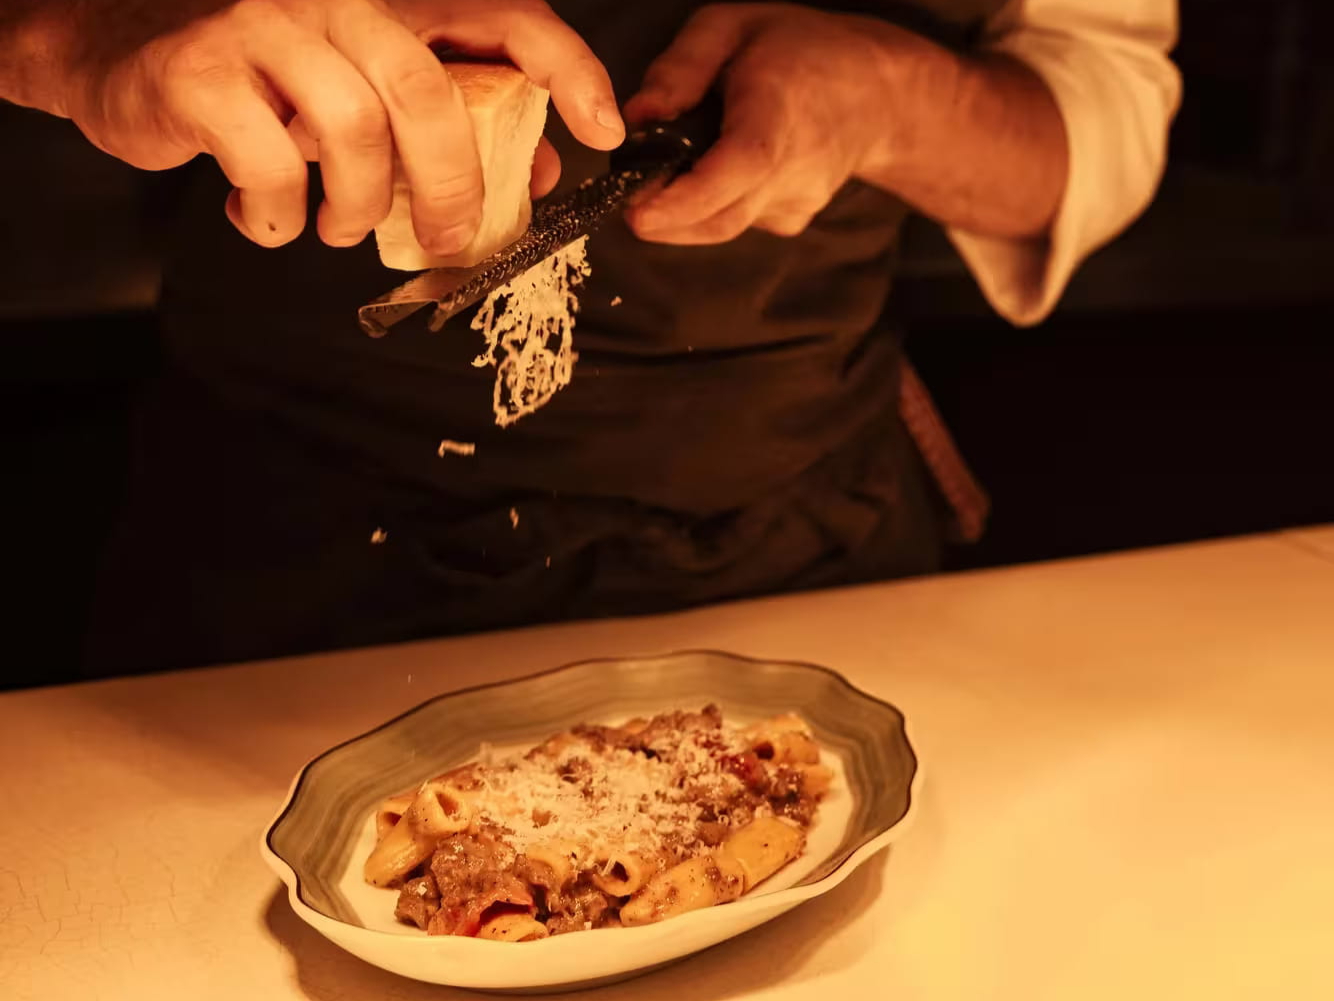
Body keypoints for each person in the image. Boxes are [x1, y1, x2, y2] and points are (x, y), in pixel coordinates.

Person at [1, 0, 1180, 673]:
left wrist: (888, 95)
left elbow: (1098, 106)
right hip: (271, 592)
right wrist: (75, 27)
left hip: (805, 563)